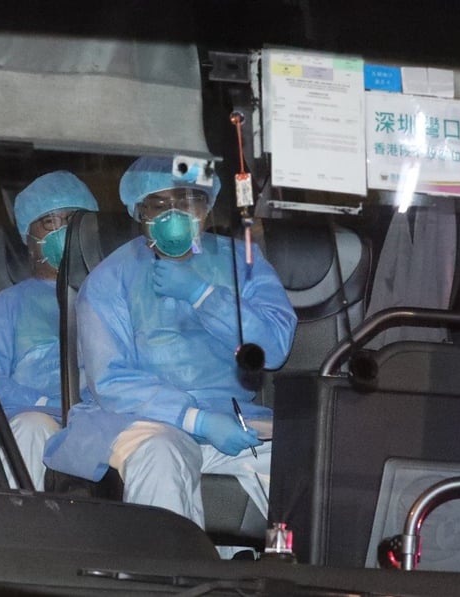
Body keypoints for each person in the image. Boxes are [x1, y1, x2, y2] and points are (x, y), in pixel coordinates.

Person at [45, 156, 297, 546]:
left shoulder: (241, 263)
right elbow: (111, 383)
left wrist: (204, 295)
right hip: (142, 421)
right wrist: (195, 419)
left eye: (188, 201)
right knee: (161, 456)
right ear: (138, 212)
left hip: (233, 420)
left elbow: (274, 349)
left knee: (307, 471)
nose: (174, 215)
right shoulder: (110, 278)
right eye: (159, 206)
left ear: (208, 206)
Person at [0, 171, 99, 491]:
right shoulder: (6, 307)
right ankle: (19, 532)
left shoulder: (113, 296)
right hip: (33, 422)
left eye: (74, 220)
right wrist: (47, 402)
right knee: (32, 426)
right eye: (50, 222)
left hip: (99, 425)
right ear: (28, 239)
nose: (64, 231)